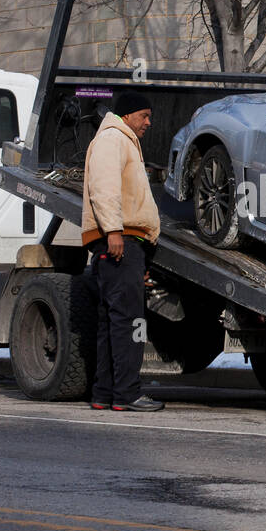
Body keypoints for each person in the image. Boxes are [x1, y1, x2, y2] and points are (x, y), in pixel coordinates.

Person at [81, 90, 163, 411]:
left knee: (112, 321)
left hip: (125, 243)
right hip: (119, 241)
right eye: (144, 116)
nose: (149, 122)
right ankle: (127, 394)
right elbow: (104, 187)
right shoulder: (113, 138)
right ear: (128, 115)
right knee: (128, 321)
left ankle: (105, 394)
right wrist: (114, 230)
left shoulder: (120, 139)